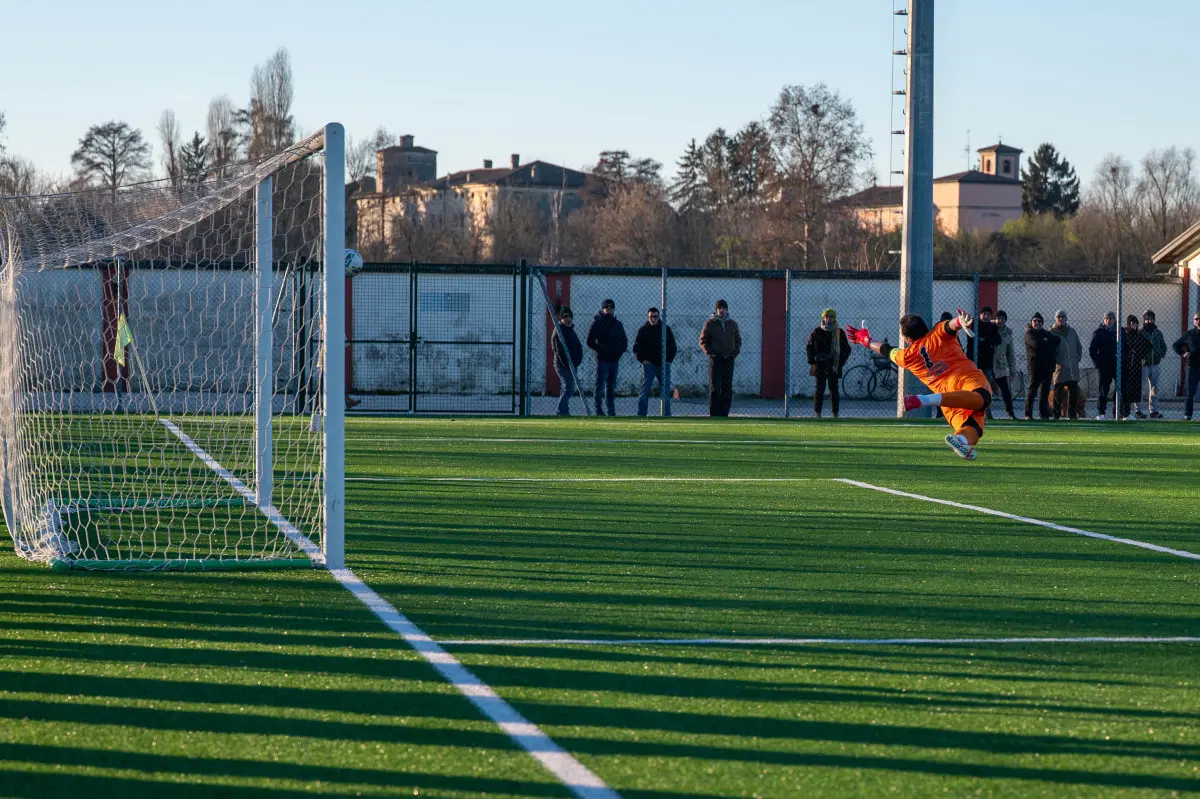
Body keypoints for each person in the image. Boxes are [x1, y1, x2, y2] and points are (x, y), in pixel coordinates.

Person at [847, 310, 991, 460]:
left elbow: (886, 349)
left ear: (908, 339)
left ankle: (960, 440)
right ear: (925, 327)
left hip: (948, 400)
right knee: (983, 398)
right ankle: (926, 399)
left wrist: (866, 341)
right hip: (964, 378)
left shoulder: (906, 356)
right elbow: (950, 326)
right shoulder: (937, 334)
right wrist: (960, 322)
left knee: (972, 426)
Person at [632, 306, 677, 417]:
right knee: (644, 391)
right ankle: (641, 415)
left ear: (658, 317)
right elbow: (636, 348)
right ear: (648, 317)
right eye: (651, 317)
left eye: (655, 317)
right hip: (649, 365)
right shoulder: (643, 330)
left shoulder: (665, 329)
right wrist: (643, 360)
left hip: (663, 364)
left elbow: (672, 346)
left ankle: (666, 415)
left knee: (665, 391)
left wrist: (668, 361)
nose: (653, 319)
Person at [699, 299, 741, 417]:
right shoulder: (710, 324)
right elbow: (703, 341)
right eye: (719, 308)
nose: (722, 310)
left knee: (727, 388)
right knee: (715, 387)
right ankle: (714, 414)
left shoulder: (732, 324)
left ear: (727, 310)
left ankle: (724, 414)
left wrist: (734, 353)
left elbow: (738, 340)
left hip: (729, 359)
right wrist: (710, 353)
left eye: (724, 308)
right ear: (716, 310)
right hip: (715, 360)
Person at [585, 298, 627, 416]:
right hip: (602, 360)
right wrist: (602, 350)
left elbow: (624, 340)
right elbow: (589, 341)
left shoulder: (618, 324)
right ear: (602, 308)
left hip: (614, 360)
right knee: (600, 386)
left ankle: (611, 410)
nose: (609, 309)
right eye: (606, 307)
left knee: (611, 387)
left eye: (611, 307)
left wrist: (619, 352)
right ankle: (598, 410)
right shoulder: (597, 323)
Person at [806, 308, 851, 418]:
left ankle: (835, 413)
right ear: (823, 318)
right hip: (820, 364)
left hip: (833, 366)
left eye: (831, 317)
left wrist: (839, 362)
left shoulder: (839, 332)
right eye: (827, 317)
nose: (829, 319)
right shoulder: (816, 332)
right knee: (819, 390)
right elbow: (809, 347)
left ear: (834, 318)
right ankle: (818, 413)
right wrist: (813, 359)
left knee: (834, 390)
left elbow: (847, 349)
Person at [1050, 309, 1083, 420]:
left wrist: (1076, 359)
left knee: (1073, 392)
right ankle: (1056, 414)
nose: (1061, 319)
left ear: (1066, 318)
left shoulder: (1072, 331)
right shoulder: (1052, 332)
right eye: (1059, 317)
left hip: (1072, 367)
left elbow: (1079, 346)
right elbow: (1050, 350)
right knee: (1057, 392)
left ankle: (1072, 415)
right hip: (1060, 367)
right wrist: (1056, 361)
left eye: (1063, 317)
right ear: (1056, 319)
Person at [551, 305, 584, 416]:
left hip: (572, 364)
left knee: (565, 388)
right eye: (565, 317)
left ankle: (565, 412)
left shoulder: (569, 330)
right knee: (569, 389)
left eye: (570, 317)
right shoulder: (559, 331)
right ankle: (560, 411)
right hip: (564, 366)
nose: (568, 319)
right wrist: (567, 364)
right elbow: (558, 350)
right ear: (561, 318)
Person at [1024, 312, 1057, 419]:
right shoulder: (1029, 334)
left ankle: (1043, 414)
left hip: (1047, 366)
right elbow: (1036, 344)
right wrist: (1046, 341)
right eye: (1035, 321)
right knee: (1032, 390)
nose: (1037, 323)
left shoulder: (1046, 333)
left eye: (1039, 321)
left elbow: (1057, 340)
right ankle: (1028, 414)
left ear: (1042, 323)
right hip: (1035, 366)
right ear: (1031, 322)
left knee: (1045, 391)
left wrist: (1045, 341)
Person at [973, 306, 1003, 419]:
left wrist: (985, 340)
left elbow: (998, 340)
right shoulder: (974, 325)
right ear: (980, 315)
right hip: (974, 362)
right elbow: (971, 338)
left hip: (987, 362)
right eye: (984, 314)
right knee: (973, 386)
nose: (986, 316)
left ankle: (987, 412)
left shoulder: (992, 327)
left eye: (988, 314)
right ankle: (972, 410)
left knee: (986, 387)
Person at [1088, 312, 1118, 420]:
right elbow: (1092, 350)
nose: (1109, 320)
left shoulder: (1119, 332)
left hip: (1117, 365)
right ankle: (1101, 412)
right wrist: (1098, 364)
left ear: (1115, 320)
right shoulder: (1099, 332)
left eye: (1111, 318)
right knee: (1103, 389)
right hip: (1104, 366)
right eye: (1107, 319)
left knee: (1119, 388)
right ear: (1104, 320)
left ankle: (1117, 412)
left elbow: (1125, 347)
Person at [1120, 315, 1149, 420]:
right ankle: (1122, 411)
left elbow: (1148, 346)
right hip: (1126, 366)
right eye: (1132, 323)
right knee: (1125, 389)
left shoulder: (1138, 335)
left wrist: (1141, 356)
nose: (1134, 325)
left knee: (1136, 389)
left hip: (1136, 366)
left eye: (1136, 323)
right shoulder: (1124, 334)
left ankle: (1136, 411)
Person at [1140, 310, 1168, 418]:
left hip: (1155, 364)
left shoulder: (1158, 333)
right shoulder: (1141, 333)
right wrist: (1141, 359)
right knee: (1140, 388)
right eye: (1146, 319)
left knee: (1154, 388)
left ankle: (1153, 411)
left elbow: (1163, 346)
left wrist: (1160, 355)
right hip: (1144, 365)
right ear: (1144, 320)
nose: (1148, 321)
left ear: (1154, 319)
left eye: (1150, 319)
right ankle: (1138, 411)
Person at [1173, 312, 1200, 421]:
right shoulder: (1190, 334)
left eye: (1199, 318)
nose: (1198, 320)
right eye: (1196, 319)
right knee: (1190, 393)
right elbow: (1175, 345)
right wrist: (1183, 353)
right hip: (1192, 367)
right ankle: (1187, 415)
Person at [991, 310, 1018, 418]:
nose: (1000, 320)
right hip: (988, 364)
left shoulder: (1008, 334)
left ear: (1005, 320)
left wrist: (1012, 371)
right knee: (985, 390)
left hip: (999, 366)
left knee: (1006, 391)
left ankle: (1010, 413)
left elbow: (1010, 354)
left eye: (1002, 318)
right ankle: (986, 413)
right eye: (998, 318)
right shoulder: (990, 329)